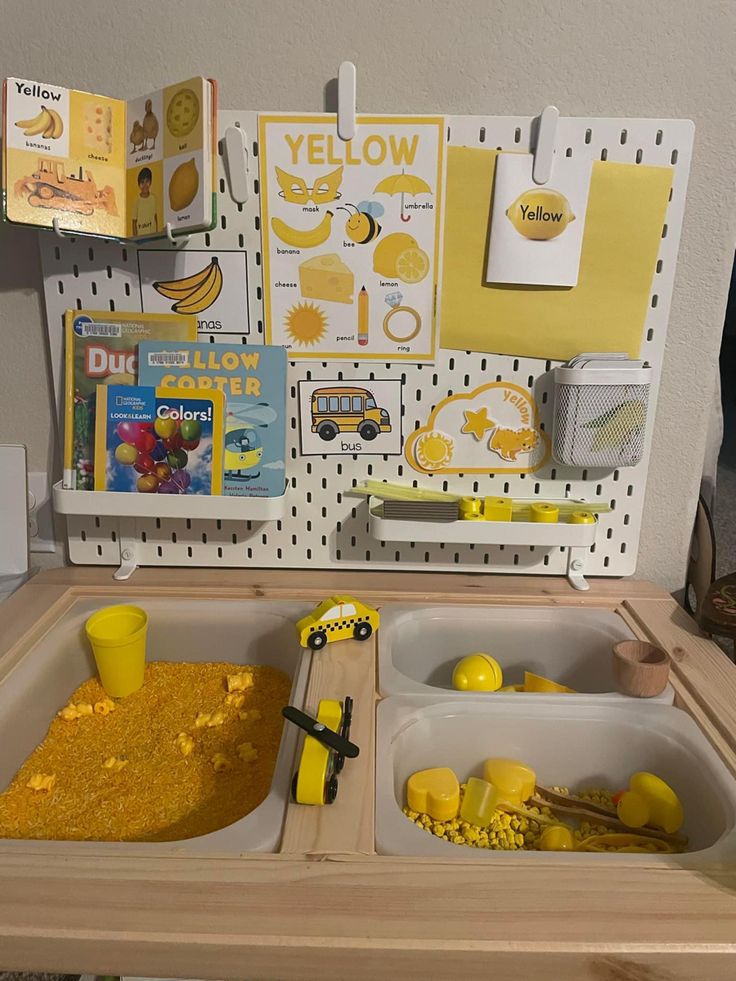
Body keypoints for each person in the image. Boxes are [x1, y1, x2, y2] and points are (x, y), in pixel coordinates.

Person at [132, 167, 157, 236]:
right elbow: (134, 221)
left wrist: (156, 233)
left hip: (152, 234)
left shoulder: (153, 198)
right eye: (142, 182)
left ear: (150, 182)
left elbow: (155, 216)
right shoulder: (136, 201)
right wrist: (135, 237)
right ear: (139, 184)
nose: (145, 185)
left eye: (147, 181)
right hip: (141, 236)